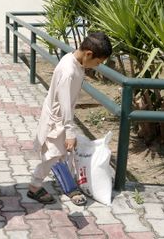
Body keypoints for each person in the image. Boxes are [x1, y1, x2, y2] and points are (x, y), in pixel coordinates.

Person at [27, 32, 112, 205]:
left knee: (62, 155)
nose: (97, 66)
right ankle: (34, 186)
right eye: (98, 62)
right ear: (88, 54)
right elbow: (65, 104)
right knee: (52, 155)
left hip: (60, 118)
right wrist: (70, 132)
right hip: (57, 120)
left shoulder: (73, 60)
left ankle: (69, 186)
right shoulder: (69, 72)